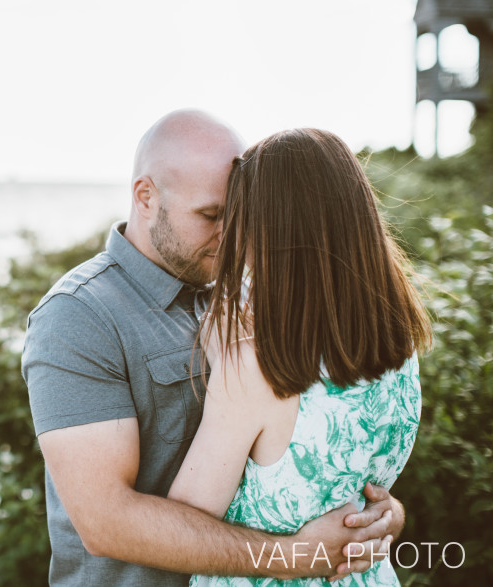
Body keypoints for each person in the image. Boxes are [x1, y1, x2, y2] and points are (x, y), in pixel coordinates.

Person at [21, 110, 405, 586]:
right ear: (146, 197)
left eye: (241, 217)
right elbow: (105, 523)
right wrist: (295, 557)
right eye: (211, 215)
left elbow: (312, 441)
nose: (232, 236)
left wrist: (374, 515)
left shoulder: (251, 290)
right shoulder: (80, 317)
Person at [168, 127, 430, 586]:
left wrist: (221, 353)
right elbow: (369, 493)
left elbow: (182, 529)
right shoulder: (400, 346)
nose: (229, 232)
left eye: (239, 215)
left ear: (268, 228)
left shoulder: (256, 368)